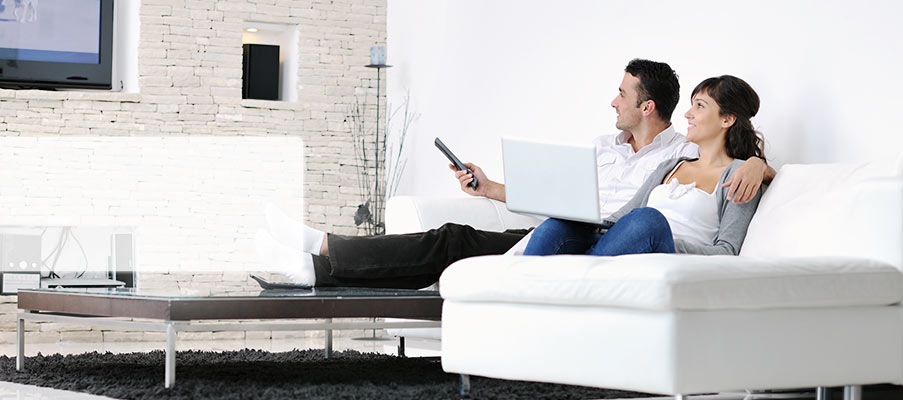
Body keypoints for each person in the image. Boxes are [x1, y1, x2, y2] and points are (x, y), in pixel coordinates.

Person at [256, 59, 775, 288]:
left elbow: (728, 181)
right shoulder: (638, 156)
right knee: (458, 237)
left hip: (626, 240)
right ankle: (320, 259)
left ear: (648, 106)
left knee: (642, 227)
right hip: (583, 229)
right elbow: (578, 201)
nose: (611, 101)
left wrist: (757, 162)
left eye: (622, 93)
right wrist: (492, 188)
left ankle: (322, 256)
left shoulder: (675, 152)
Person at [524, 75, 765, 256]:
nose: (687, 114)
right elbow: (621, 217)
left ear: (727, 119)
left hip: (663, 252)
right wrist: (576, 216)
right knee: (555, 227)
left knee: (648, 220)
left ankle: (582, 274)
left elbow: (727, 250)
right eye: (691, 105)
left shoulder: (741, 175)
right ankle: (524, 295)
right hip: (621, 243)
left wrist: (666, 241)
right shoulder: (673, 165)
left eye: (699, 106)